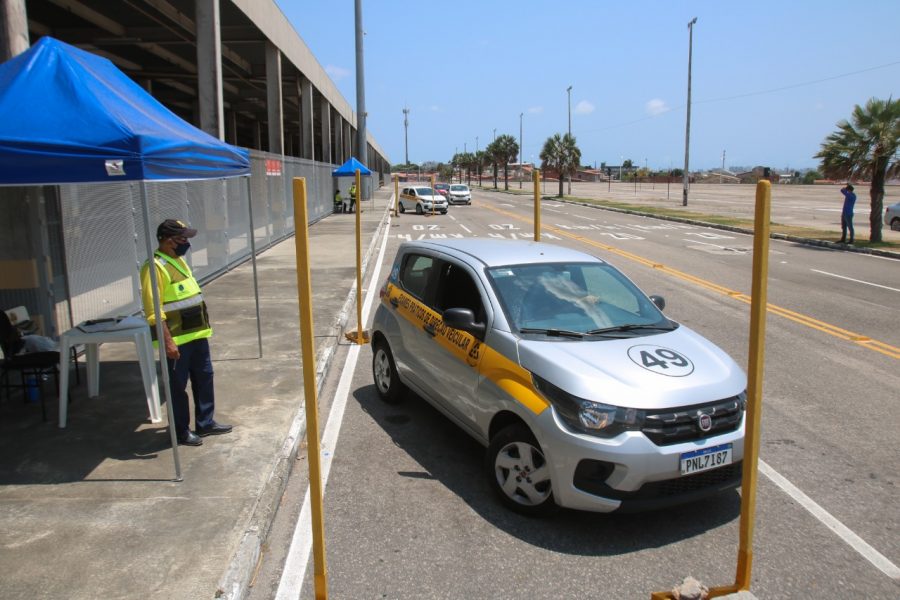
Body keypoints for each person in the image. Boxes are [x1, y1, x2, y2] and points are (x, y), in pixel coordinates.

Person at [140, 219, 232, 446]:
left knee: (204, 377)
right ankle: (181, 431)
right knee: (177, 387)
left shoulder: (178, 260)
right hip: (177, 341)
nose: (186, 243)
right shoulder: (155, 267)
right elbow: (154, 311)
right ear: (168, 240)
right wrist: (168, 343)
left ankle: (205, 422)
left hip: (197, 335)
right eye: (183, 238)